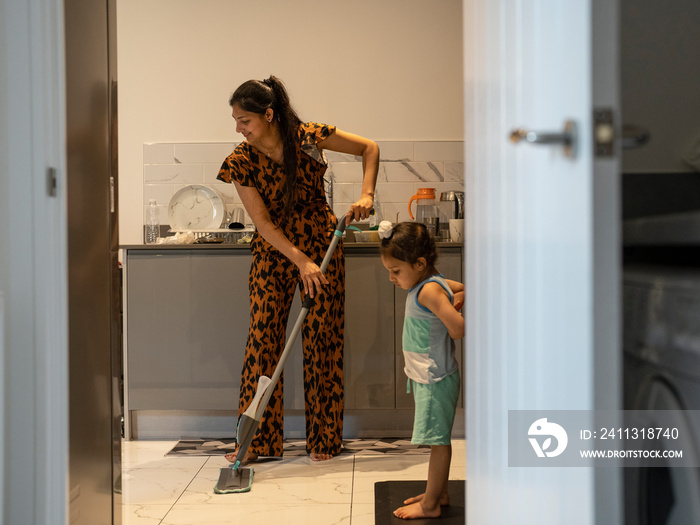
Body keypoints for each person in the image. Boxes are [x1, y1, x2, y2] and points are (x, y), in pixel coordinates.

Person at [216, 76, 379, 462]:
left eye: (245, 121)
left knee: (323, 339)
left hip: (322, 242)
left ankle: (324, 440)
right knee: (263, 342)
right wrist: (300, 260)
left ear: (268, 115)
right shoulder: (240, 161)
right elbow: (264, 224)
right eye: (237, 121)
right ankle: (254, 442)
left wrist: (367, 193)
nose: (239, 129)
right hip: (275, 253)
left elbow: (369, 148)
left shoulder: (309, 137)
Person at [378, 220, 464, 520]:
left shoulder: (427, 291)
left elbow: (457, 330)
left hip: (434, 380)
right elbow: (462, 289)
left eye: (396, 271)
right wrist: (452, 305)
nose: (391, 278)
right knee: (437, 439)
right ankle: (437, 492)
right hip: (432, 376)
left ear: (420, 263)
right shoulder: (433, 282)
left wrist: (450, 313)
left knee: (438, 443)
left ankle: (430, 505)